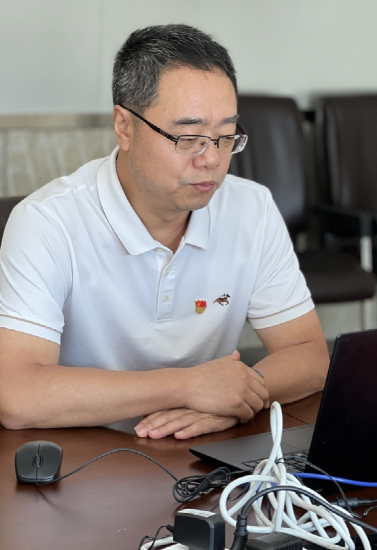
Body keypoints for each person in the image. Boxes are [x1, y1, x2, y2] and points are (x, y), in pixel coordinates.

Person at [0, 24, 329, 439]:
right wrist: (187, 387)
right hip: (82, 451)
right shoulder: (48, 222)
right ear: (124, 126)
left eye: (225, 136)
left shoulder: (251, 208)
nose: (211, 159)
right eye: (188, 137)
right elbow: (16, 393)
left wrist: (237, 398)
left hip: (199, 450)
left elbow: (310, 355)